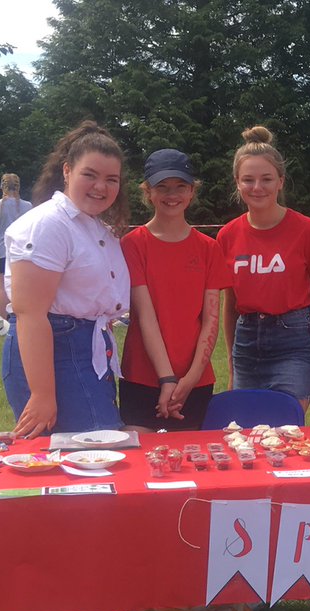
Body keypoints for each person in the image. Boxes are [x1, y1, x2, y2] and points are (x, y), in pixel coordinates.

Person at [2, 121, 132, 437]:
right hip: (55, 355)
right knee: (92, 452)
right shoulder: (47, 225)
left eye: (111, 179)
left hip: (87, 350)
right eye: (90, 174)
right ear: (67, 171)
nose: (101, 186)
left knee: (97, 456)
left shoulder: (94, 227)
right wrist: (43, 395)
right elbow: (30, 313)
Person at [218, 125, 310, 416]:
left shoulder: (307, 231)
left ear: (281, 182)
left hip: (295, 341)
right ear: (237, 183)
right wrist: (232, 365)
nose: (257, 187)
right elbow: (230, 308)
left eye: (266, 179)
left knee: (285, 426)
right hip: (247, 343)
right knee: (247, 430)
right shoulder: (228, 235)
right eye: (248, 180)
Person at [119, 149, 230, 432]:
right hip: (142, 375)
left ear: (192, 192)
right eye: (162, 187)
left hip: (195, 379)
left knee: (190, 464)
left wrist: (189, 379)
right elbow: (146, 316)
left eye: (180, 187)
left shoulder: (208, 247)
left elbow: (211, 320)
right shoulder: (133, 244)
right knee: (139, 462)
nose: (172, 195)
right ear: (148, 192)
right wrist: (166, 378)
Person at [0, 173, 33, 316]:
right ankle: (19, 315)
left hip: (2, 249)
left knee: (2, 287)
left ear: (2, 186)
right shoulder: (28, 206)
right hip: (22, 250)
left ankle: (2, 319)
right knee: (19, 285)